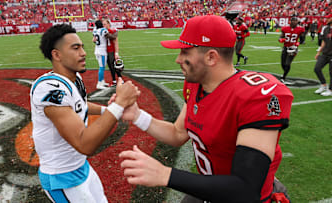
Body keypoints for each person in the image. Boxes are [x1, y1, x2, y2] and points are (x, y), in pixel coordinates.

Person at [118, 15, 293, 203]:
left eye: (185, 52)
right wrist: (137, 115)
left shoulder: (256, 96)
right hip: (211, 189)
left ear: (211, 57)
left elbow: (245, 189)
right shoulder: (196, 85)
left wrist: (165, 175)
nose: (178, 59)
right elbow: (177, 133)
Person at [31, 24, 139, 202]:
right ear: (56, 55)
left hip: (80, 166)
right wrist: (118, 105)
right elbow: (84, 143)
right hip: (62, 177)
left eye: (82, 46)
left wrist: (107, 110)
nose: (83, 53)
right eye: (75, 48)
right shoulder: (48, 88)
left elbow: (80, 105)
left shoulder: (74, 78)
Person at [278, 17, 305, 84]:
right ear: (291, 21)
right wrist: (280, 39)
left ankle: (283, 77)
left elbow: (302, 39)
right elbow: (281, 36)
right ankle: (285, 72)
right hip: (285, 47)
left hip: (293, 48)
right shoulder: (285, 28)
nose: (295, 22)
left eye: (296, 21)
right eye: (294, 21)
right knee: (283, 63)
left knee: (287, 64)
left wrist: (299, 42)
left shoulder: (300, 29)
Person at [313, 18, 332, 96]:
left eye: (329, 18)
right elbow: (324, 41)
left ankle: (330, 90)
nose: (327, 19)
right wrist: (318, 52)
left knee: (331, 73)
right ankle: (323, 85)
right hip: (325, 53)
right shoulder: (326, 28)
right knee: (317, 68)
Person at [103, 18, 123, 86]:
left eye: (105, 24)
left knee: (114, 66)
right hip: (106, 51)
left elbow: (115, 41)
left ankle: (119, 79)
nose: (104, 26)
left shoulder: (112, 31)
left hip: (111, 50)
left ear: (108, 24)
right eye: (103, 24)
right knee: (110, 66)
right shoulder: (103, 31)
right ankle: (115, 80)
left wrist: (116, 52)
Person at [93, 20, 109, 89]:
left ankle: (102, 81)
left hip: (97, 50)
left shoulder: (95, 31)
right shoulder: (103, 30)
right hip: (102, 51)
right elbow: (108, 35)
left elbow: (93, 40)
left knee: (102, 67)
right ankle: (99, 83)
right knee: (102, 67)